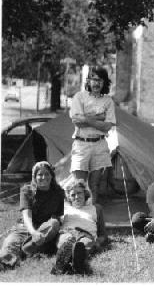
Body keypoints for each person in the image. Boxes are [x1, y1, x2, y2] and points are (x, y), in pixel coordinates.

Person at [0, 161, 64, 271]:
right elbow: (26, 216)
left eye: (47, 174)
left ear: (52, 176)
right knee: (9, 244)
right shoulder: (27, 190)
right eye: (40, 174)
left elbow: (58, 216)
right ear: (34, 177)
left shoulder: (58, 192)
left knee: (54, 223)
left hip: (45, 229)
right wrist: (33, 232)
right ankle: (8, 262)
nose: (44, 177)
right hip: (25, 227)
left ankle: (28, 248)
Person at [70, 66, 116, 204]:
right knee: (78, 184)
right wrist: (99, 117)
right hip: (81, 144)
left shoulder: (108, 101)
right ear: (88, 81)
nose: (96, 83)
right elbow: (77, 121)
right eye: (94, 79)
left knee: (94, 186)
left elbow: (108, 126)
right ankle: (78, 217)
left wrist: (86, 118)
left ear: (105, 83)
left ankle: (93, 216)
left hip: (100, 144)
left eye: (100, 80)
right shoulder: (80, 97)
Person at [51, 178, 108, 275]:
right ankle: (67, 261)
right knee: (67, 241)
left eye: (79, 193)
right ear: (68, 197)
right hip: (68, 232)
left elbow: (102, 233)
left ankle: (73, 261)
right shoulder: (64, 208)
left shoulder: (96, 208)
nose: (76, 197)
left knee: (82, 245)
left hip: (87, 234)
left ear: (85, 193)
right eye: (73, 195)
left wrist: (97, 242)